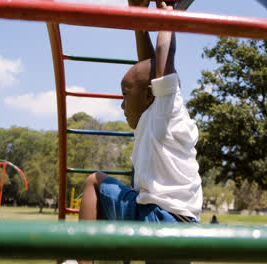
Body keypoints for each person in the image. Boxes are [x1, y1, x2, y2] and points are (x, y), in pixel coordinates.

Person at [79, 0, 202, 227]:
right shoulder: (159, 115)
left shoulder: (164, 112)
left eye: (125, 95)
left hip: (156, 217)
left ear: (149, 95)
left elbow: (164, 59)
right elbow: (150, 66)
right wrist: (139, 17)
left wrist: (167, 14)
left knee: (93, 182)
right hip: (185, 223)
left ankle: (77, 261)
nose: (122, 105)